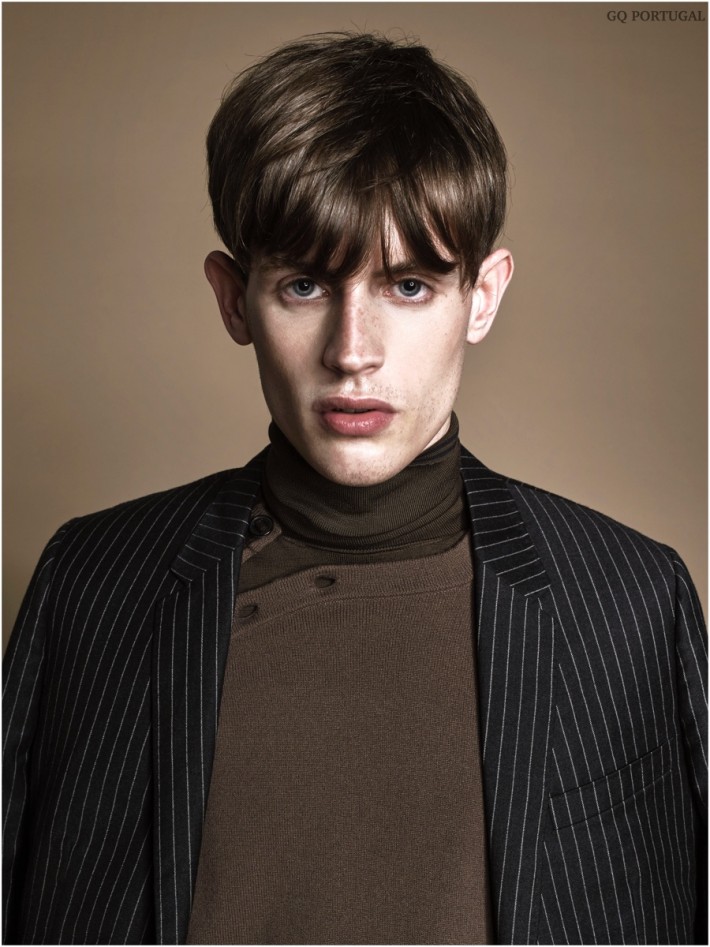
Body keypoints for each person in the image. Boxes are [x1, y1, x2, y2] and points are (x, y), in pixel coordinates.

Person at [3, 31, 706, 947]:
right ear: (233, 299)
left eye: (408, 286)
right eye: (304, 285)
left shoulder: (629, 604)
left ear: (483, 296)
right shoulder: (95, 585)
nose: (352, 352)